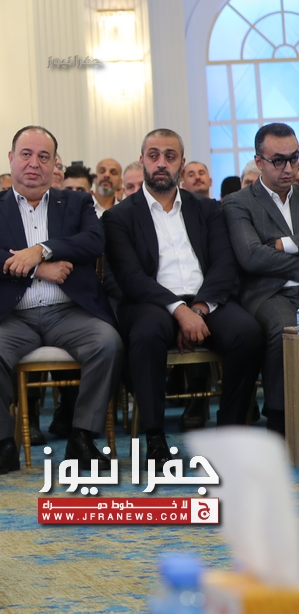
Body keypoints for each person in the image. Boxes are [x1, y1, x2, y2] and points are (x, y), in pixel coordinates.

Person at [0, 126, 122, 475]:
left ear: (54, 165)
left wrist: (41, 250)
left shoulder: (77, 202)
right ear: (11, 158)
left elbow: (93, 241)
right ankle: (4, 443)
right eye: (26, 154)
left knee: (107, 342)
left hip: (70, 312)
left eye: (43, 156)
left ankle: (82, 437)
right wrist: (39, 270)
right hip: (11, 317)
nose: (34, 164)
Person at [103, 129, 263, 461]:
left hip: (206, 300)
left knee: (248, 333)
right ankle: (155, 437)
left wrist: (199, 309)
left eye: (170, 156)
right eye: (154, 156)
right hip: (150, 302)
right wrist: (179, 310)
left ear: (182, 162)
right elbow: (131, 277)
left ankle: (230, 432)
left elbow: (224, 263)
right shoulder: (119, 216)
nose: (161, 163)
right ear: (143, 160)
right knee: (146, 333)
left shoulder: (207, 209)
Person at [223, 122, 299, 435]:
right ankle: (280, 419)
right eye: (278, 161)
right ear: (259, 161)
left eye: (294, 158)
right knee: (284, 327)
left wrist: (283, 244)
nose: (288, 168)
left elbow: (266, 253)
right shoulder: (238, 202)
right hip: (267, 292)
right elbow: (252, 257)